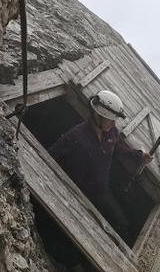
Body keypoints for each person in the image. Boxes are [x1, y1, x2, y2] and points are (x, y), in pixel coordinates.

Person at [49, 90, 152, 243]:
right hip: (76, 191)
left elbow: (118, 148)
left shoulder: (112, 133)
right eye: (110, 119)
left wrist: (139, 156)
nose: (113, 123)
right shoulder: (76, 136)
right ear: (98, 116)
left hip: (101, 192)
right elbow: (52, 154)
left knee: (122, 224)